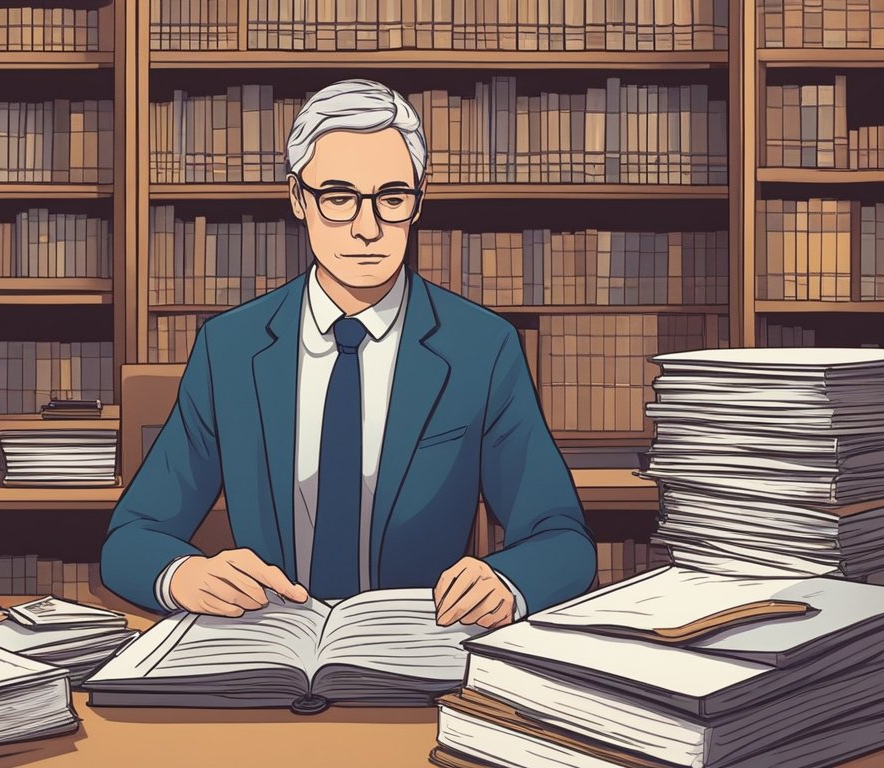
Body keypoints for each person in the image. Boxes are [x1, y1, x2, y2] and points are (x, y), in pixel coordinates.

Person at [102, 78, 595, 629]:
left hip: (418, 657)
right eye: (338, 198)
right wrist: (182, 575)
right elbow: (131, 538)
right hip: (269, 654)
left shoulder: (482, 348)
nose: (368, 228)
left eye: (391, 198)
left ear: (418, 201)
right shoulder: (230, 350)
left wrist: (508, 581)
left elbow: (563, 540)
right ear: (297, 198)